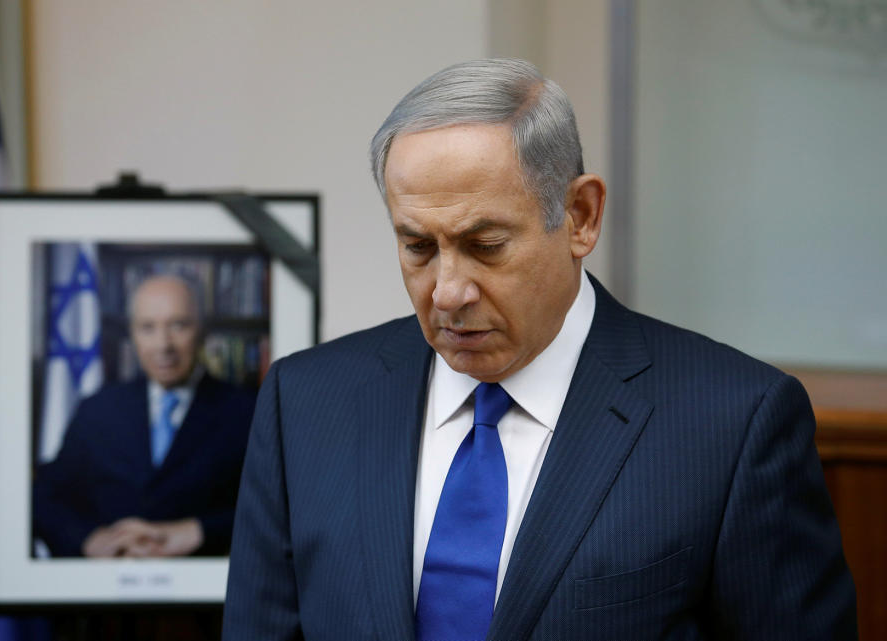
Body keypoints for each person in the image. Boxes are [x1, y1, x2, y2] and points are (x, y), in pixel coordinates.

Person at [222, 59, 856, 639]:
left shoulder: (733, 422)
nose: (447, 291)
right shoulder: (303, 404)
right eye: (417, 246)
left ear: (580, 216)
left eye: (486, 244)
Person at [33, 274, 256, 558]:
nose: (163, 345)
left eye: (178, 325)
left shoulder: (247, 412)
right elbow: (45, 497)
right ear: (132, 334)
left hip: (207, 592)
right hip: (106, 589)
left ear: (202, 330)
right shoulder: (98, 409)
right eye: (148, 328)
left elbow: (274, 509)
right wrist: (87, 539)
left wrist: (200, 530)